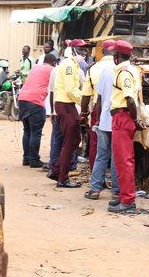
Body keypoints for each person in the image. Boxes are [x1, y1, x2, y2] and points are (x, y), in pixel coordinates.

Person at [46, 39, 90, 188]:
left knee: (75, 139)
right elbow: (71, 90)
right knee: (69, 141)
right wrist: (84, 105)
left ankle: (57, 170)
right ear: (72, 49)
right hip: (66, 105)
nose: (84, 52)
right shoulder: (69, 65)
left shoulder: (73, 64)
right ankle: (62, 178)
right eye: (81, 49)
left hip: (66, 105)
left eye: (85, 50)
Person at [108, 40, 146, 212]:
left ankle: (128, 200)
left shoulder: (123, 73)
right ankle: (125, 196)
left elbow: (130, 100)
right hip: (124, 116)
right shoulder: (131, 70)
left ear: (117, 56)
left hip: (122, 116)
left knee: (124, 160)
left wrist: (136, 119)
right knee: (123, 159)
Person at [84, 42, 119, 203]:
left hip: (104, 120)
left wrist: (97, 118)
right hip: (119, 120)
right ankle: (116, 192)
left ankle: (95, 189)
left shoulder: (103, 71)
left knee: (101, 155)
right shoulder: (128, 71)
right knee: (117, 156)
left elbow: (98, 99)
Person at [80, 40, 115, 172]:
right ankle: (118, 183)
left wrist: (84, 113)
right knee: (118, 147)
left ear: (102, 51)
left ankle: (97, 178)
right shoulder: (123, 67)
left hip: (99, 109)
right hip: (120, 110)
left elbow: (86, 94)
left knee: (96, 144)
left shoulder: (93, 68)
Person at [18, 54, 57, 167]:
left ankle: (26, 158)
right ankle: (34, 160)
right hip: (35, 102)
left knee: (27, 131)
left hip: (22, 99)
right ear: (54, 63)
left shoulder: (34, 67)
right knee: (36, 132)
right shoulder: (53, 70)